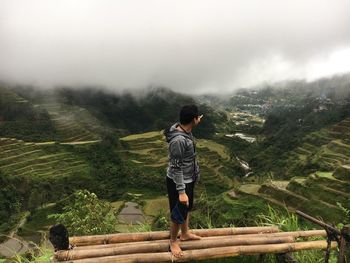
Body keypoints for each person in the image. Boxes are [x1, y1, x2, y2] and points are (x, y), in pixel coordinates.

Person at [163, 104, 203, 258]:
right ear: (193, 119)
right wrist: (181, 192)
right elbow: (176, 167)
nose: (198, 119)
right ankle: (173, 241)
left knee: (186, 208)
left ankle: (184, 234)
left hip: (188, 178)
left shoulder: (185, 130)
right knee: (178, 211)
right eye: (197, 117)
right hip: (178, 181)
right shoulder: (178, 140)